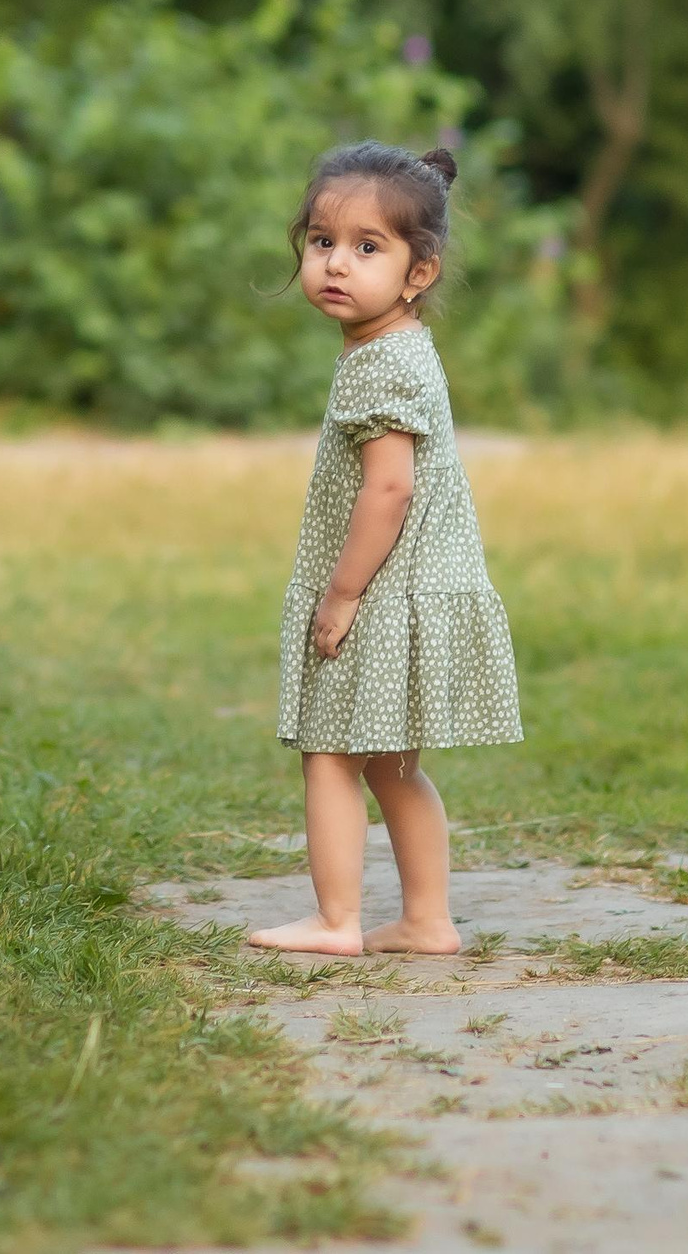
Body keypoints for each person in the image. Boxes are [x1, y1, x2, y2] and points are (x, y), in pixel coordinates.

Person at [248, 142, 522, 956]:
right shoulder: (395, 349)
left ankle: (337, 920)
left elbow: (389, 489)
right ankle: (428, 920)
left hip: (379, 589)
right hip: (410, 585)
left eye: (368, 247)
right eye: (323, 241)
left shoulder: (380, 367)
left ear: (419, 272)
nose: (337, 263)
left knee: (331, 756)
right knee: (393, 766)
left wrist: (341, 593)